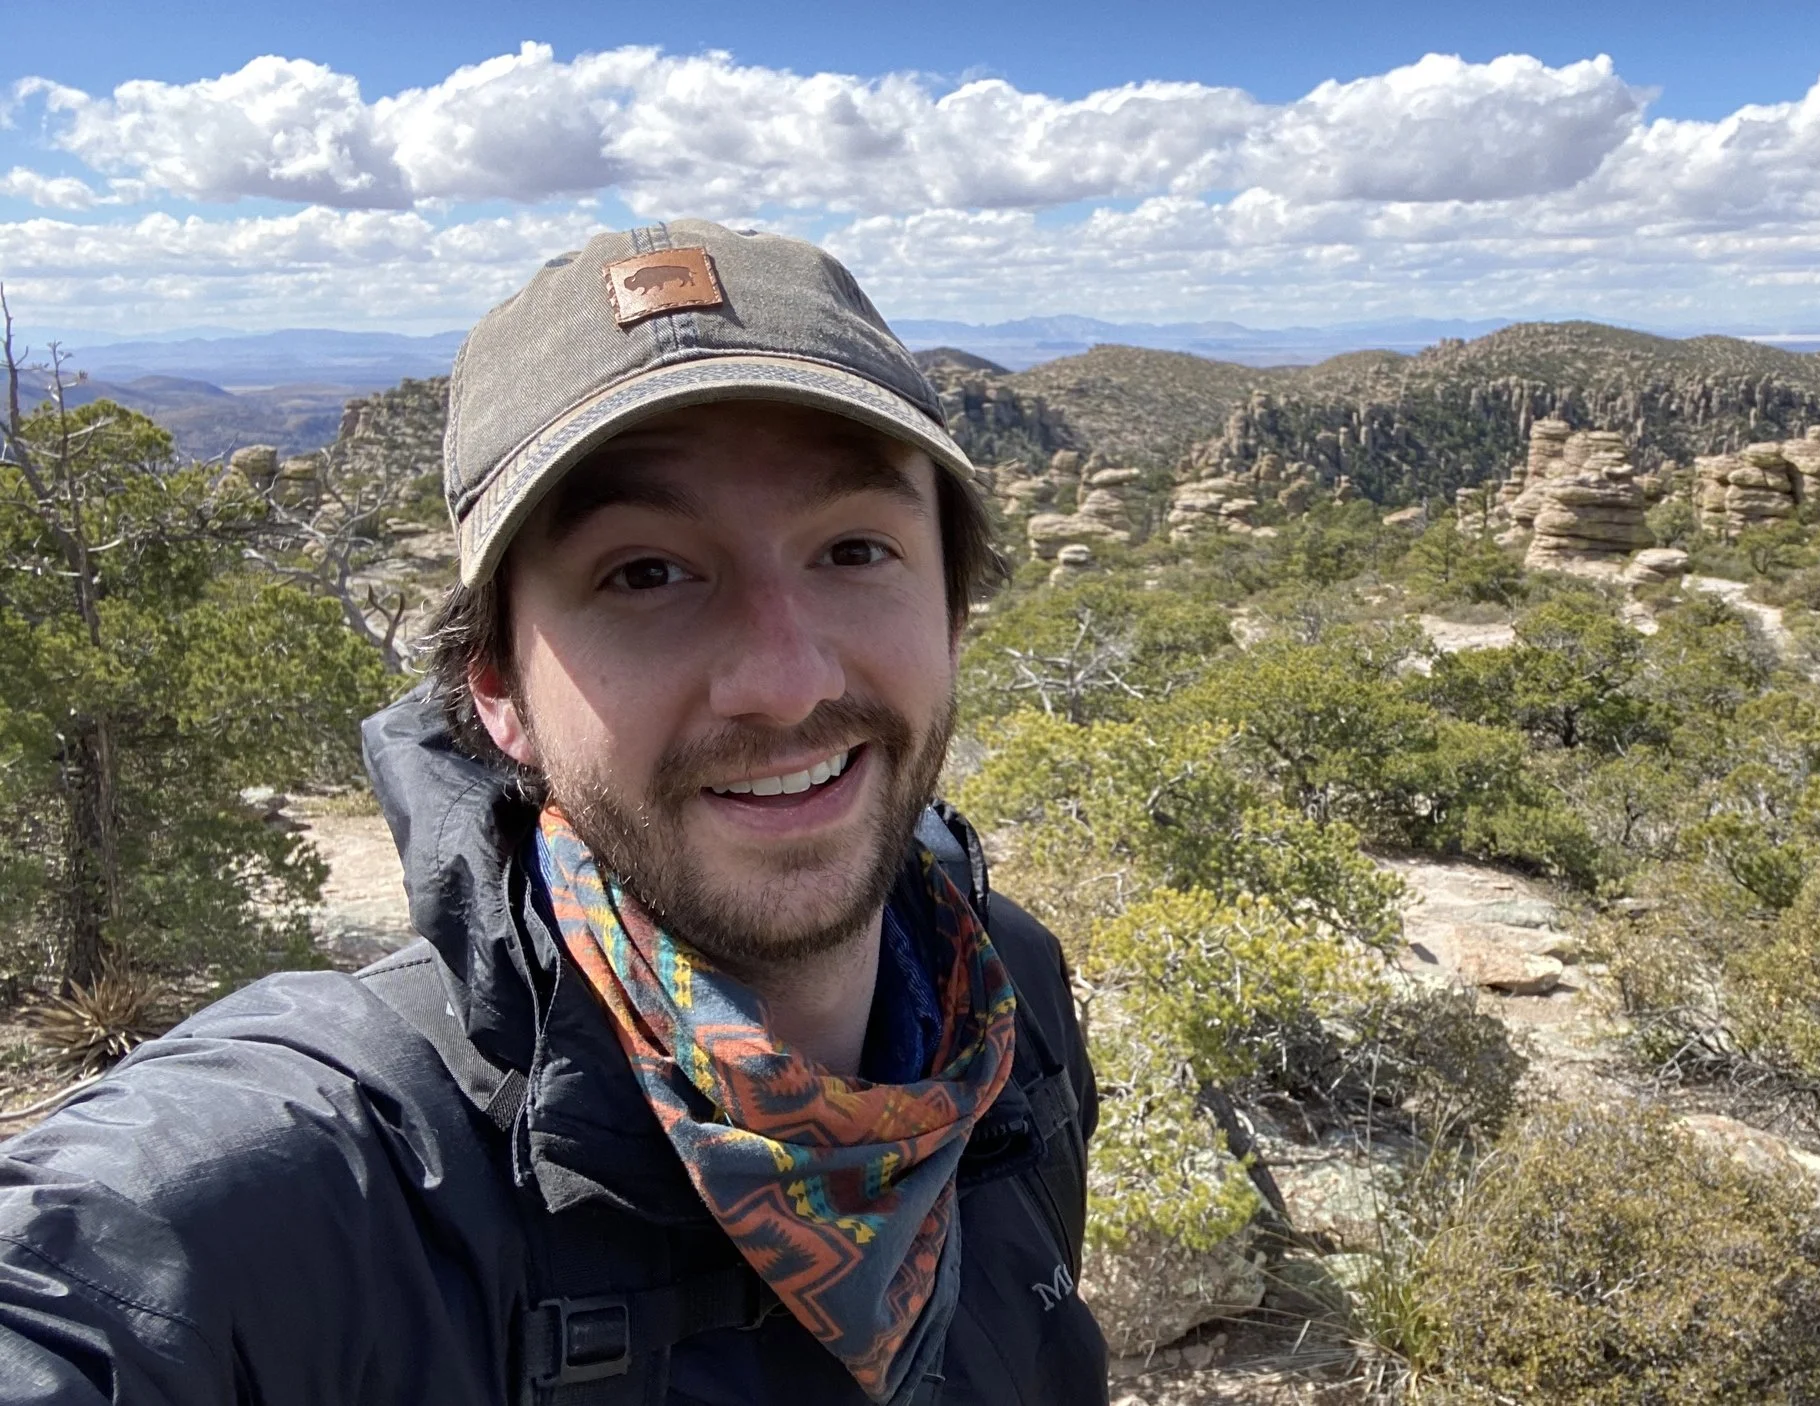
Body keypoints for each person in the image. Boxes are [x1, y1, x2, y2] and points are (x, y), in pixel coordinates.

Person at [0, 220, 1106, 1405]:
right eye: (644, 572)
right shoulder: (304, 1186)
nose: (787, 679)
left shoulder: (1002, 1004)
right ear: (497, 688)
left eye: (852, 548)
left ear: (950, 616)